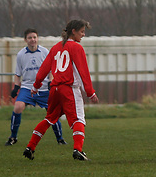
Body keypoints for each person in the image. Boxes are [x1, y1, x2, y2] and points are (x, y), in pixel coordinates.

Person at [23, 19, 99, 161]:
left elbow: (44, 69)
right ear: (74, 31)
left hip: (55, 89)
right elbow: (84, 72)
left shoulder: (56, 48)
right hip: (69, 88)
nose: (83, 35)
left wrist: (35, 86)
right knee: (78, 119)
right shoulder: (77, 48)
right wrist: (90, 92)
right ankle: (78, 150)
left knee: (49, 118)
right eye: (82, 32)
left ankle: (30, 147)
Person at [5, 28, 65, 146]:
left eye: (34, 37)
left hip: (43, 88)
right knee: (17, 107)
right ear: (25, 40)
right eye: (30, 38)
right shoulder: (21, 54)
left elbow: (51, 69)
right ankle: (13, 137)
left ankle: (60, 139)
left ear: (37, 38)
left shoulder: (45, 52)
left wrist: (50, 82)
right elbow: (18, 74)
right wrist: (16, 88)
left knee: (52, 112)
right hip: (27, 87)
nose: (32, 40)